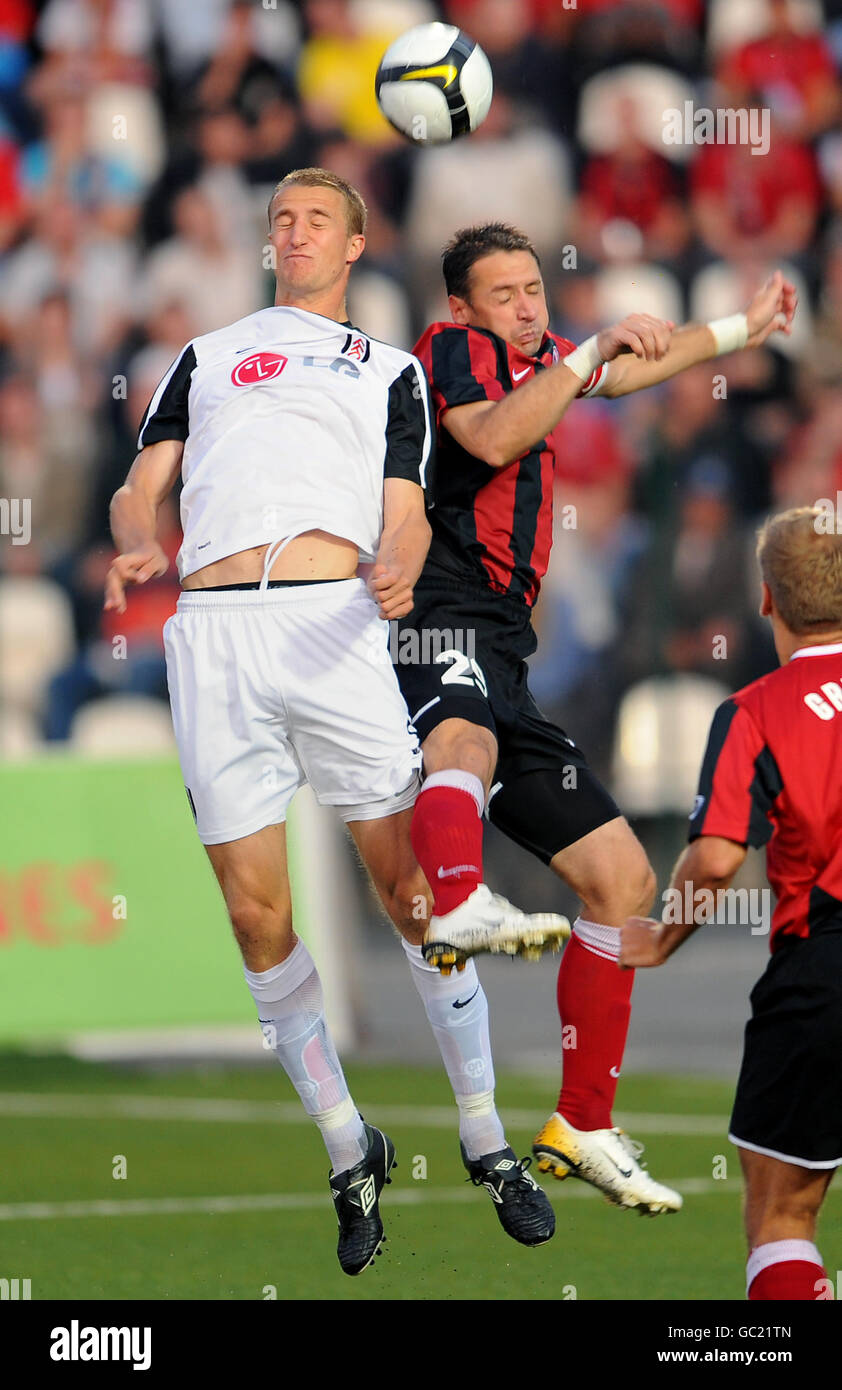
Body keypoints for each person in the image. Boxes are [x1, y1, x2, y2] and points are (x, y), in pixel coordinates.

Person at [105, 170, 563, 1276]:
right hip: (213, 635)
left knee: (409, 895)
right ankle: (349, 1146)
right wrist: (134, 531)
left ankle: (483, 1131)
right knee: (256, 918)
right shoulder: (206, 354)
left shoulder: (392, 371)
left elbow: (402, 510)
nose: (292, 232)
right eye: (280, 218)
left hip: (332, 623)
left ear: (354, 245)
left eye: (315, 219)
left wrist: (401, 568)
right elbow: (141, 481)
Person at [398, 221, 796, 1214]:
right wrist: (586, 350)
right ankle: (456, 894)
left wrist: (740, 328)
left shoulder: (549, 369)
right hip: (433, 615)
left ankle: (579, 1120)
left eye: (535, 288)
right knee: (462, 736)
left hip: (505, 647)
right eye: (505, 294)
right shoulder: (448, 355)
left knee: (620, 879)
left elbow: (634, 370)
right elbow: (490, 435)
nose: (529, 305)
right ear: (462, 310)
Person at [621, 507, 842, 1300]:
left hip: (824, 969)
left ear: (766, 601)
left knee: (783, 1215)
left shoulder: (756, 710)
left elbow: (714, 861)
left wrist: (661, 938)